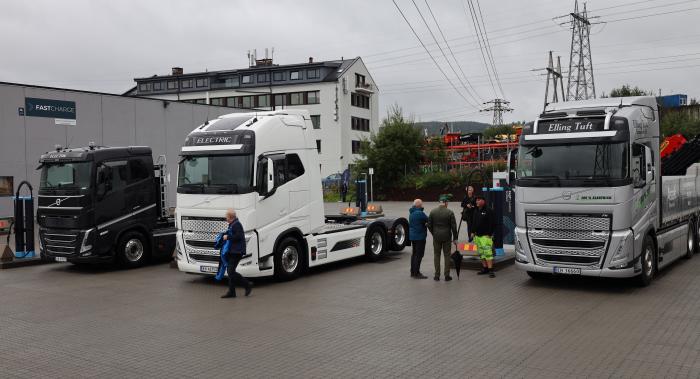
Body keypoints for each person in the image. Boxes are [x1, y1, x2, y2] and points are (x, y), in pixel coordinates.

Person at [221, 209, 253, 298]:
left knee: (230, 271)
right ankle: (232, 292)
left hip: (237, 251)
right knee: (231, 271)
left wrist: (228, 237)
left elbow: (238, 236)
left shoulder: (236, 224)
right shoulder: (233, 224)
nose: (226, 219)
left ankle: (247, 284)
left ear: (231, 217)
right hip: (233, 251)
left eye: (226, 217)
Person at [427, 194, 458, 282]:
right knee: (447, 255)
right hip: (447, 236)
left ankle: (437, 275)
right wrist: (455, 238)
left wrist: (434, 233)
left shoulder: (433, 212)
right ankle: (447, 275)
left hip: (436, 236)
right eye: (447, 202)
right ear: (445, 202)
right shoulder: (450, 212)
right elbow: (454, 227)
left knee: (436, 255)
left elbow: (429, 225)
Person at [471, 195, 497, 278]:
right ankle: (485, 268)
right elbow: (474, 222)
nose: (476, 202)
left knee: (488, 254)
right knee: (481, 254)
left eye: (478, 200)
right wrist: (472, 232)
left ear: (483, 201)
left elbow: (493, 223)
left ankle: (491, 270)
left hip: (485, 237)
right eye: (476, 200)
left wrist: (489, 234)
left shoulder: (489, 211)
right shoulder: (476, 211)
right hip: (477, 237)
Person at [408, 199, 428, 279]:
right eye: (422, 204)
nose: (423, 206)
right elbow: (428, 219)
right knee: (419, 255)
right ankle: (417, 273)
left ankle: (412, 272)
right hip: (420, 237)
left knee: (414, 254)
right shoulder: (420, 213)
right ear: (419, 205)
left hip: (413, 236)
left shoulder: (411, 213)